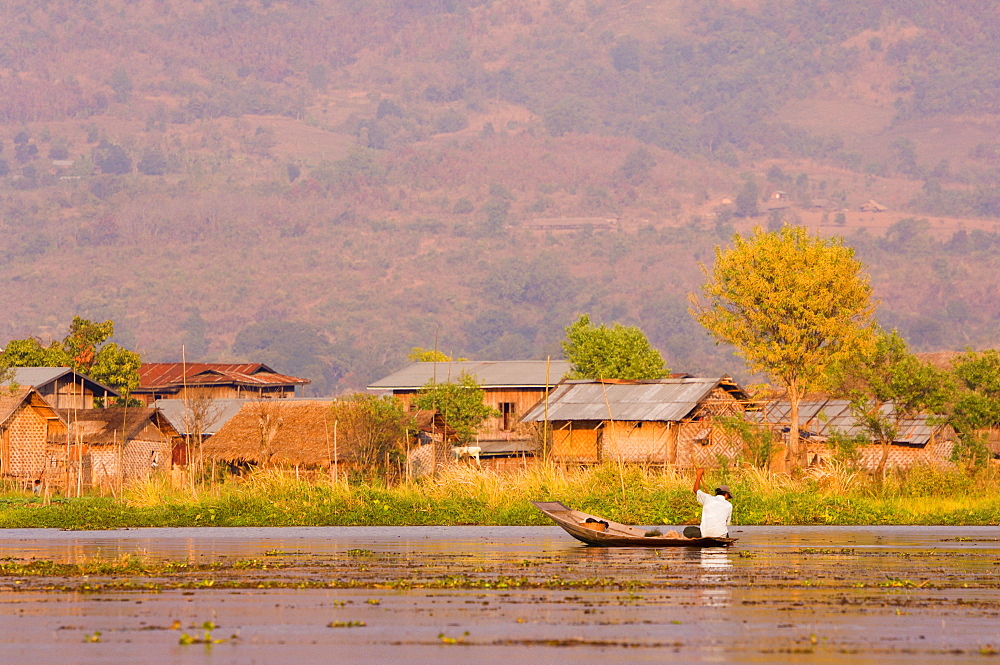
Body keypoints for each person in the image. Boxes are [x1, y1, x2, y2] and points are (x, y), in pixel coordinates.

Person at [689, 467, 733, 538]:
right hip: (721, 535)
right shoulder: (729, 505)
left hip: (705, 534)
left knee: (688, 530)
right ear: (726, 495)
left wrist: (698, 476)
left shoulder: (708, 498)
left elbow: (696, 490)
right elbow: (726, 523)